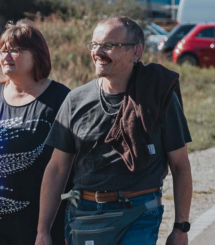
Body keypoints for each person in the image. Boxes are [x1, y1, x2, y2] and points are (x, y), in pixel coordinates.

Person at [38, 16, 193, 245]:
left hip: (140, 213)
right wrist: (43, 231)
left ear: (136, 52)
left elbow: (180, 165)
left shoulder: (159, 99)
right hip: (85, 214)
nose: (98, 52)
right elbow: (57, 168)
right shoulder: (75, 100)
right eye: (94, 44)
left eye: (109, 45)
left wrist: (181, 227)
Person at [0, 21, 71, 245]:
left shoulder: (61, 99)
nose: (6, 55)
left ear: (38, 55)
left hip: (43, 225)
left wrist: (44, 231)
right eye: (3, 49)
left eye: (15, 49)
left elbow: (69, 167)